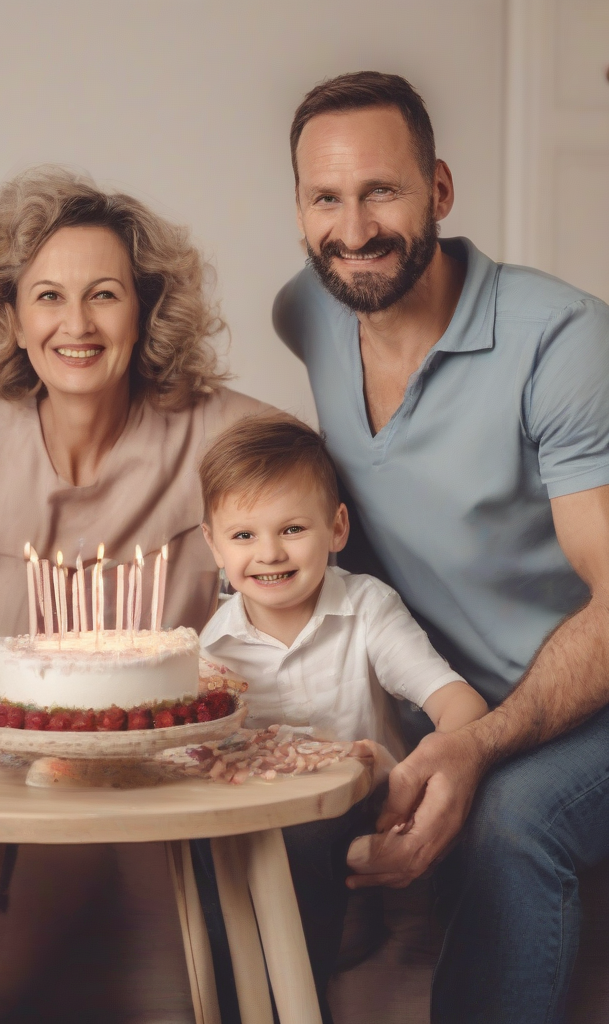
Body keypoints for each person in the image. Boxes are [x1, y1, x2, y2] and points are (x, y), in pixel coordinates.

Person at [272, 70, 609, 1024]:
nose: (355, 228)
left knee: (512, 820)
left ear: (441, 191)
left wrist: (477, 746)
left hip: (590, 701)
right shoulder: (308, 312)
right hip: (451, 697)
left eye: (383, 190)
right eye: (325, 199)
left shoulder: (565, 343)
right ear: (299, 211)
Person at [0, 166, 267, 1019]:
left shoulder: (220, 433)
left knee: (180, 994)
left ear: (144, 310)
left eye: (104, 295)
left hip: (170, 788)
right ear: (12, 316)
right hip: (9, 787)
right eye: (48, 297)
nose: (77, 324)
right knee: (7, 987)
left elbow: (316, 505)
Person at [198, 414, 487, 1021]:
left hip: (364, 811)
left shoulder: (367, 608)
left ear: (336, 528)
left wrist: (417, 776)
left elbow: (458, 704)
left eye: (293, 528)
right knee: (211, 842)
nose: (270, 552)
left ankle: (299, 1002)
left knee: (312, 827)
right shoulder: (211, 648)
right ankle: (242, 1003)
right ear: (213, 545)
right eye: (244, 536)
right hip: (261, 830)